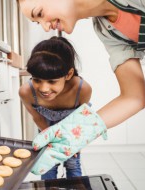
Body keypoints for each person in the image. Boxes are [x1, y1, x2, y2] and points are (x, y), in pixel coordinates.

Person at [17, 0, 145, 188]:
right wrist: (77, 132)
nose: (45, 26)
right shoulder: (106, 30)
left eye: (40, 13)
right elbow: (133, 97)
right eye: (36, 22)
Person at [19, 36, 92, 179]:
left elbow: (81, 119)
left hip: (72, 131)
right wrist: (50, 139)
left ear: (68, 74)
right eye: (37, 79)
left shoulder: (82, 89)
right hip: (46, 129)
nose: (44, 88)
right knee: (47, 166)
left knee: (73, 164)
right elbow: (37, 117)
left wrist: (72, 142)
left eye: (52, 81)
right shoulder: (26, 92)